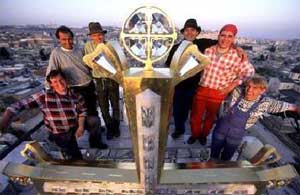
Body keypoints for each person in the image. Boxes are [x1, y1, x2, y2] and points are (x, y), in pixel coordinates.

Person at [189, 24, 255, 145]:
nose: (225, 39)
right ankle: (195, 134)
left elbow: (250, 72)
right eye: (223, 35)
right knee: (195, 116)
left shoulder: (237, 56)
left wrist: (235, 83)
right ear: (218, 36)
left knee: (210, 118)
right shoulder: (208, 51)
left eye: (230, 36)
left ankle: (204, 135)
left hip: (219, 92)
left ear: (234, 38)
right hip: (202, 89)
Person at [0, 70, 86, 160]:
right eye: (55, 82)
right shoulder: (45, 95)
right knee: (72, 156)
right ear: (51, 84)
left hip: (73, 129)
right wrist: (6, 118)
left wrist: (80, 127)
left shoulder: (75, 95)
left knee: (77, 145)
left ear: (65, 80)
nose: (59, 83)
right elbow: (18, 105)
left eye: (61, 80)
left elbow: (82, 111)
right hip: (59, 134)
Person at [210, 76, 300, 161]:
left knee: (226, 159)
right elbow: (223, 87)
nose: (249, 90)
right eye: (248, 86)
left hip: (235, 136)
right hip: (220, 130)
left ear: (262, 90)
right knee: (213, 155)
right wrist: (237, 81)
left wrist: (296, 109)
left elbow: (291, 107)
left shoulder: (265, 103)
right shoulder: (237, 92)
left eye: (255, 88)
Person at [46, 25, 107, 149]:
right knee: (77, 115)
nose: (67, 41)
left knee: (93, 112)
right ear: (59, 40)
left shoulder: (79, 50)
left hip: (88, 85)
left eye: (69, 38)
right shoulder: (56, 53)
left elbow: (90, 63)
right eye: (64, 39)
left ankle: (95, 140)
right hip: (74, 89)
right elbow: (51, 72)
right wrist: (50, 89)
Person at [165, 18, 218, 139]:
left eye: (192, 30)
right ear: (183, 33)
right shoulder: (175, 48)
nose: (189, 32)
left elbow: (222, 43)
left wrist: (238, 48)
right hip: (179, 86)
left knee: (196, 112)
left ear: (197, 32)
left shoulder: (203, 43)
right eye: (187, 30)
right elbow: (168, 65)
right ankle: (180, 129)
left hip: (197, 86)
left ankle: (196, 133)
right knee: (179, 111)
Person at [84, 22, 121, 140]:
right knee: (104, 107)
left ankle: (116, 127)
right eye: (95, 35)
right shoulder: (88, 46)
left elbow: (115, 63)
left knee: (115, 105)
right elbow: (91, 63)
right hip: (99, 81)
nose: (98, 37)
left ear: (103, 35)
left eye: (100, 34)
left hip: (112, 79)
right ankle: (110, 129)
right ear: (91, 36)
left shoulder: (110, 46)